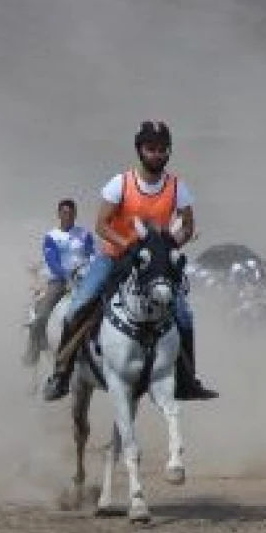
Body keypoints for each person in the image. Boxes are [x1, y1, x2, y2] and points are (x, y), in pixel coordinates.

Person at [42, 120, 218, 402]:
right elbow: (101, 225)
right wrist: (129, 246)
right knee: (76, 306)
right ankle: (60, 375)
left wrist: (170, 247)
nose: (157, 154)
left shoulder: (177, 187)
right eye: (151, 149)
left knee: (184, 314)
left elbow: (187, 226)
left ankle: (187, 381)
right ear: (140, 149)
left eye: (162, 149)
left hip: (156, 266)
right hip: (114, 257)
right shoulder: (120, 183)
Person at [24, 199, 95, 365]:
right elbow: (52, 260)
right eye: (64, 213)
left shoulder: (85, 234)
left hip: (84, 280)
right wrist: (66, 275)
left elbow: (92, 254)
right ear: (58, 214)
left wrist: (89, 270)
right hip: (59, 281)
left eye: (70, 213)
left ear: (75, 214)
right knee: (41, 316)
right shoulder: (52, 237)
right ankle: (33, 351)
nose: (67, 216)